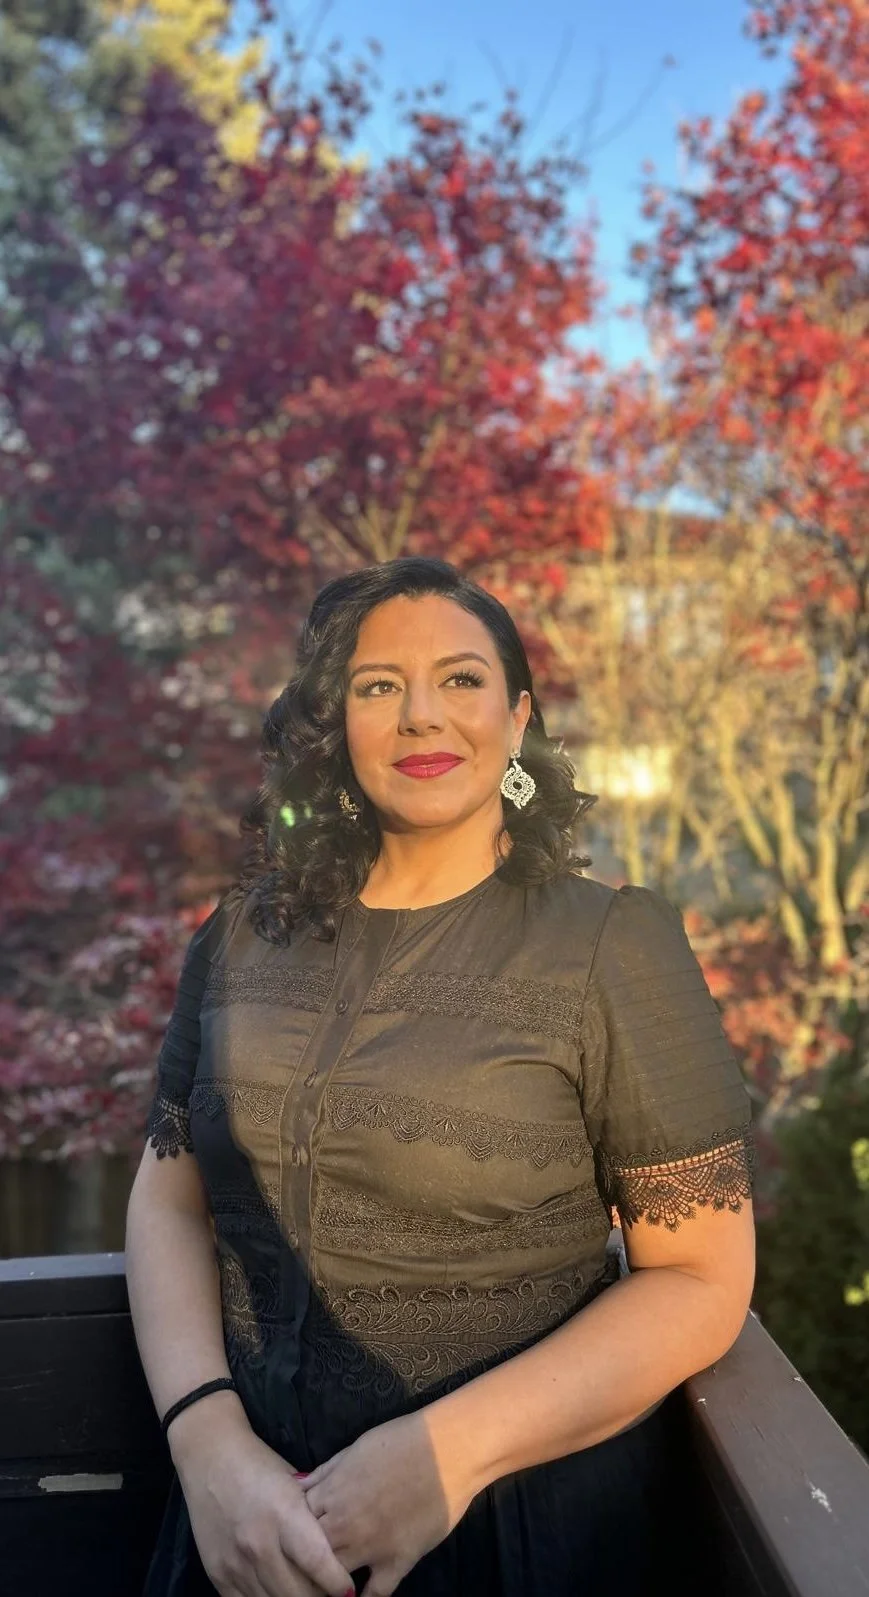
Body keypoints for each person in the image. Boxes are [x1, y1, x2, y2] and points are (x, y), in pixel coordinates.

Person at [127, 555, 755, 1597]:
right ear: (338, 726)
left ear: (515, 723)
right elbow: (168, 1194)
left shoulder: (608, 942)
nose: (422, 716)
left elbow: (698, 1279)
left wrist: (445, 1455)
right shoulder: (239, 935)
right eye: (378, 687)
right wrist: (206, 1442)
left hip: (501, 1537)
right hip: (239, 1536)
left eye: (459, 680)